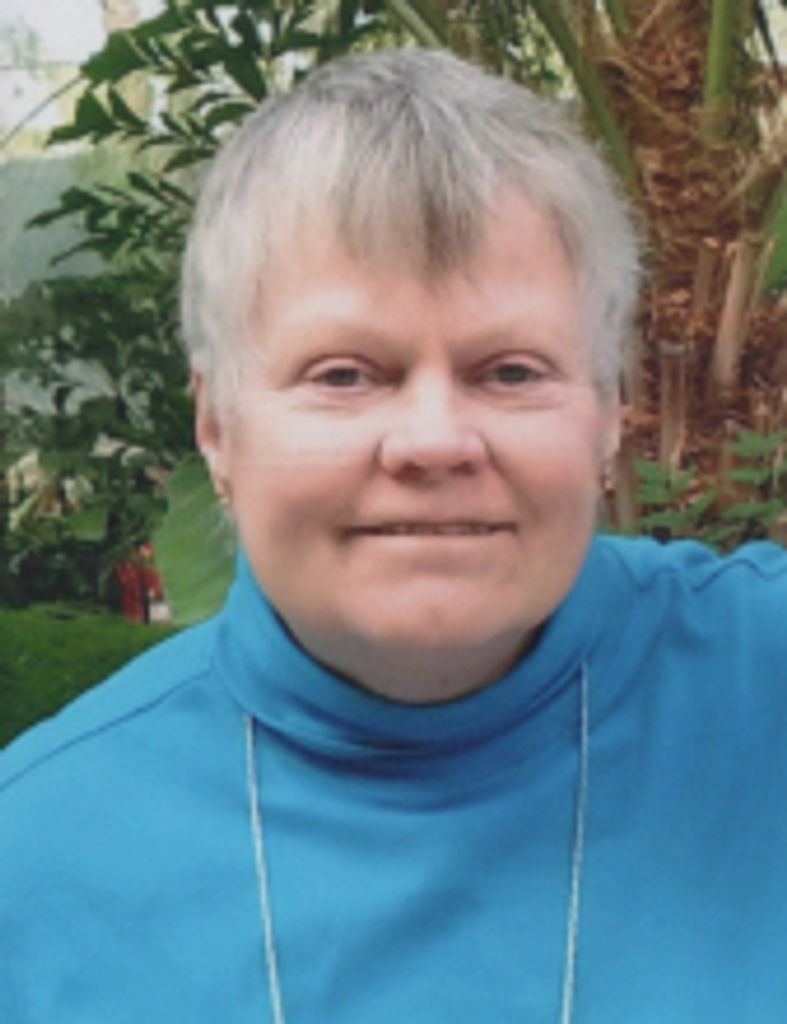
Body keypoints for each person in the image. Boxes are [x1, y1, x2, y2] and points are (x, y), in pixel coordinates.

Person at [1, 48, 786, 1024]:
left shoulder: (761, 687)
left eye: (510, 371)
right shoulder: (33, 866)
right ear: (217, 426)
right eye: (343, 374)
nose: (433, 440)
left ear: (609, 414)